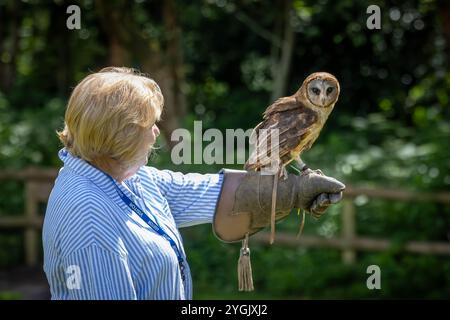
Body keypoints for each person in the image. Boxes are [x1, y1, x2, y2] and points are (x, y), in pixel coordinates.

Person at [42, 67, 345, 300]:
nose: (157, 133)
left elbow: (204, 192)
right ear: (116, 134)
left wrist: (291, 192)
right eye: (150, 124)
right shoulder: (89, 218)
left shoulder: (131, 178)